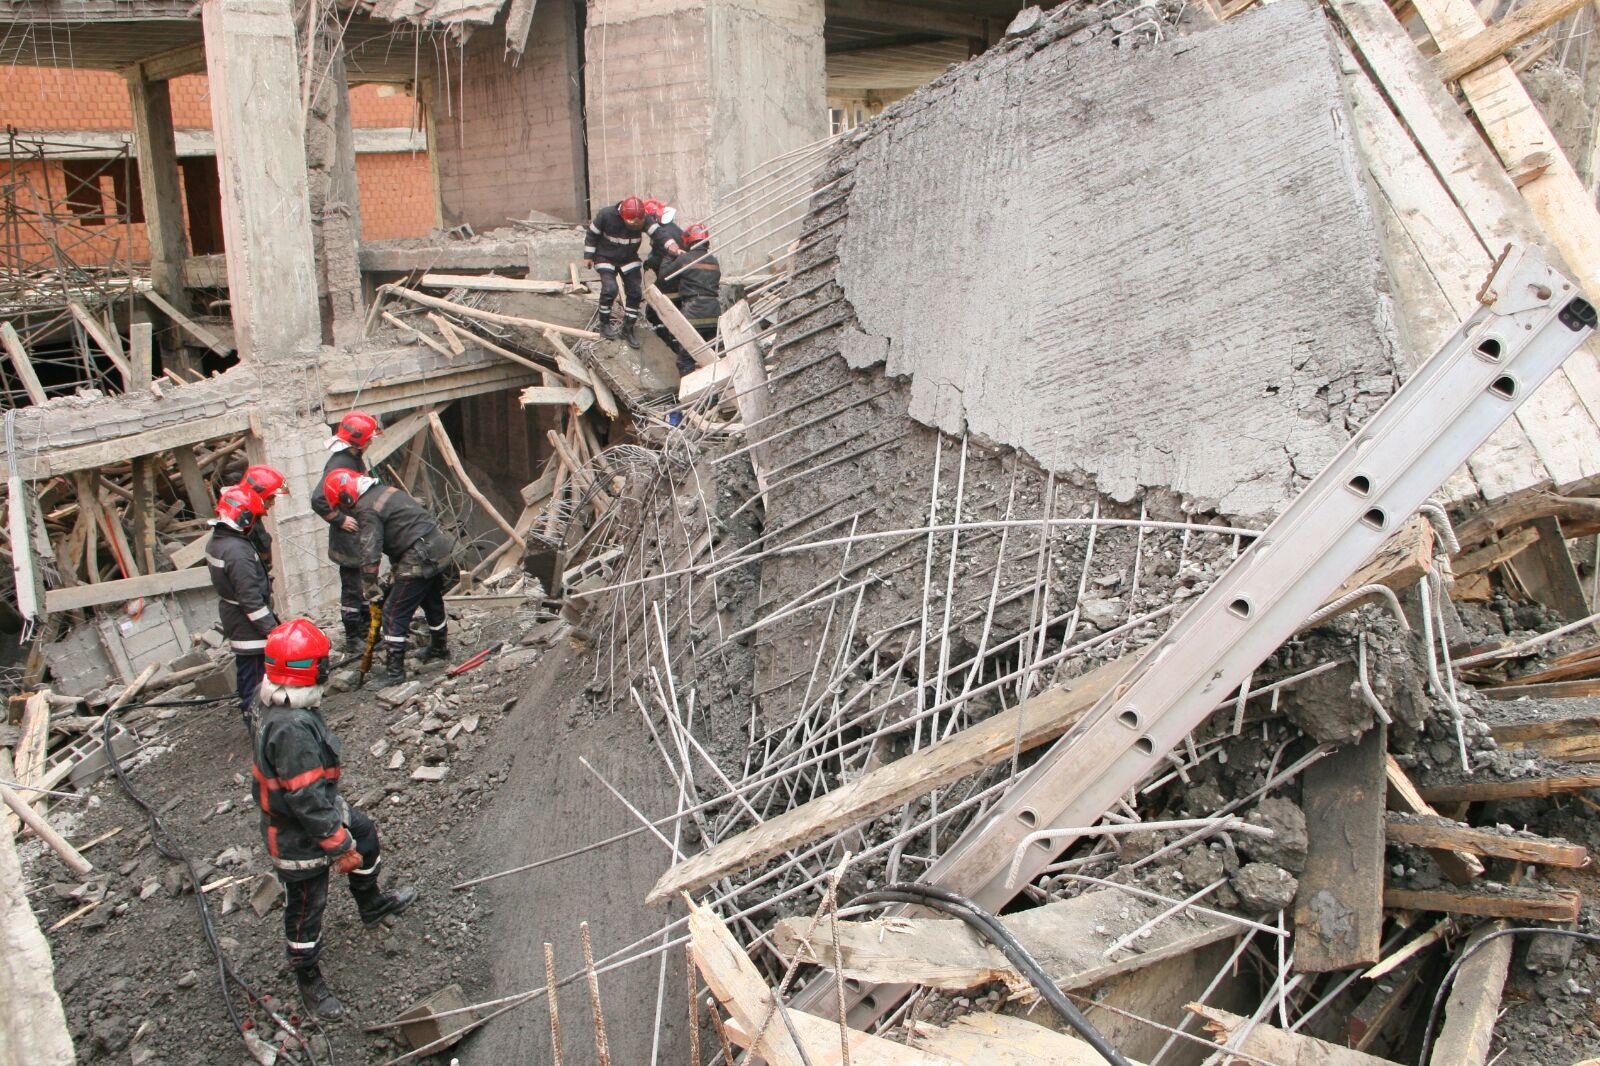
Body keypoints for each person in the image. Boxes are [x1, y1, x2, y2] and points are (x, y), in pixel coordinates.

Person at [252, 618, 417, 1020]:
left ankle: (371, 903)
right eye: (321, 662)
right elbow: (305, 799)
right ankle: (308, 977)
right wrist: (339, 846)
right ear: (307, 670)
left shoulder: (285, 706)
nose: (327, 668)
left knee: (366, 835)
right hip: (297, 832)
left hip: (318, 810)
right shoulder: (292, 728)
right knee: (306, 906)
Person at [322, 469, 457, 683]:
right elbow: (402, 530)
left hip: (419, 555)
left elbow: (370, 549)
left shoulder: (366, 509)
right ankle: (440, 648)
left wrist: (369, 584)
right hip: (436, 546)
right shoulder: (384, 491)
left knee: (393, 613)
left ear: (346, 496)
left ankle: (395, 673)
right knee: (431, 600)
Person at [205, 485, 278, 733]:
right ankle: (258, 727)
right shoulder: (238, 552)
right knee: (255, 677)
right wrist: (272, 630)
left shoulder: (219, 541)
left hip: (235, 617)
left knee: (248, 673)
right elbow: (250, 599)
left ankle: (257, 719)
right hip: (248, 626)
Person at [310, 412, 381, 653]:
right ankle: (353, 637)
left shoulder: (353, 458)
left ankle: (363, 630)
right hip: (348, 540)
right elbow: (319, 499)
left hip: (356, 536)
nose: (371, 442)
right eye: (369, 438)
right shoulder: (340, 463)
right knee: (353, 587)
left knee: (360, 584)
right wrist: (339, 519)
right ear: (359, 441)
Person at [654, 223, 721, 375]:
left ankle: (693, 396)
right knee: (710, 358)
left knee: (685, 360)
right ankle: (714, 395)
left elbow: (664, 279)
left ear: (688, 241)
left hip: (694, 314)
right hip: (714, 314)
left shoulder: (685, 259)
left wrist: (670, 255)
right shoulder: (714, 261)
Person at [583, 195, 648, 349]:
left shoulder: (644, 218)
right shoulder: (606, 215)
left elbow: (658, 233)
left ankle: (628, 328)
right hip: (605, 256)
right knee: (610, 289)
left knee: (635, 293)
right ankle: (604, 324)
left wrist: (670, 245)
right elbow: (592, 235)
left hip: (629, 258)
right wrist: (588, 256)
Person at [240, 464, 288, 574]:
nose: (273, 503)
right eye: (270, 498)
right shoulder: (246, 524)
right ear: (259, 494)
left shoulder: (251, 518)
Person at [641, 198, 684, 280]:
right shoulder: (672, 228)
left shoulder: (663, 234)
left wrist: (650, 262)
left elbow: (661, 257)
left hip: (672, 277)